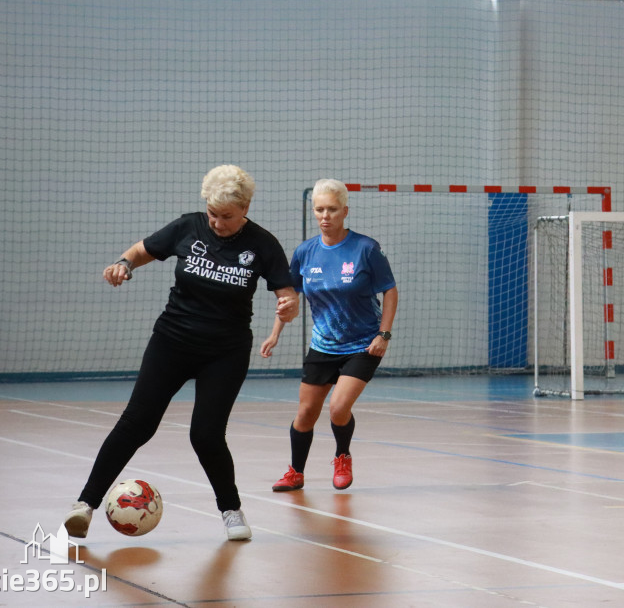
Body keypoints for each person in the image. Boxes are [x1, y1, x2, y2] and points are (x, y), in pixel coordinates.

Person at [63, 164, 299, 541]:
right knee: (136, 423)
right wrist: (123, 264)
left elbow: (286, 294)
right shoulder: (187, 227)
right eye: (212, 214)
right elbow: (142, 250)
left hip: (225, 350)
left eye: (226, 216)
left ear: (246, 208)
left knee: (205, 434)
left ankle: (231, 511)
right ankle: (84, 505)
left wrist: (289, 305)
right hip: (172, 341)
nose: (217, 223)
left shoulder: (263, 244)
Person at [260, 178, 398, 492]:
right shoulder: (306, 252)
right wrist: (275, 332)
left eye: (332, 209)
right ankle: (295, 472)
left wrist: (384, 334)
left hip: (363, 344)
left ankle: (342, 456)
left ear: (344, 211)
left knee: (337, 407)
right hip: (323, 345)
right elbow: (290, 296)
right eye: (320, 209)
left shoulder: (366, 249)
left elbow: (389, 290)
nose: (325, 216)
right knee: (306, 412)